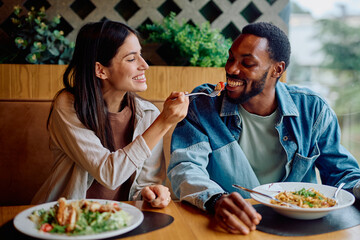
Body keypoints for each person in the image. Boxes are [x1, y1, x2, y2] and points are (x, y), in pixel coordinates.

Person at [168, 21, 360, 234]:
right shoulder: (203, 104)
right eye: (231, 58)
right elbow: (185, 167)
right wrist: (216, 200)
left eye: (247, 63)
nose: (231, 69)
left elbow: (341, 173)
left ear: (277, 69)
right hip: (231, 226)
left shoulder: (312, 109)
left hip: (301, 229)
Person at [32, 20, 189, 208]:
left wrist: (150, 193)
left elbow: (144, 184)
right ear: (101, 70)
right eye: (132, 59)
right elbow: (109, 174)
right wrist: (163, 123)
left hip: (122, 220)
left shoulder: (148, 114)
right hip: (67, 220)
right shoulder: (68, 105)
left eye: (141, 55)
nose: (145, 65)